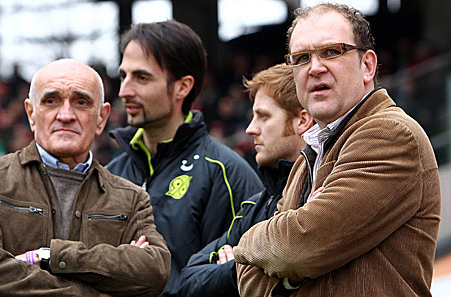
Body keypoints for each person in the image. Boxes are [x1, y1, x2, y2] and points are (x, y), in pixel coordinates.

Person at [234, 3, 441, 297]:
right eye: (302, 57)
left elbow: (299, 248)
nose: (315, 67)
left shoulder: (391, 134)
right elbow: (246, 280)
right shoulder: (306, 159)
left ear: (368, 65)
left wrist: (249, 241)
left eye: (332, 51)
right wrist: (290, 266)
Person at [0, 59, 170, 297]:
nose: (66, 115)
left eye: (81, 102)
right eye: (51, 101)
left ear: (101, 118)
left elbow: (154, 271)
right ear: (31, 114)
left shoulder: (131, 198)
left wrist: (49, 256)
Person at [107, 20, 263, 297]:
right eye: (123, 76)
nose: (124, 91)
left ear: (182, 87)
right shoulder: (110, 174)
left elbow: (246, 280)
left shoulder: (227, 173)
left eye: (141, 78)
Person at [178, 64, 313, 297]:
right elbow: (189, 278)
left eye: (263, 117)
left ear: (302, 121)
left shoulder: (324, 193)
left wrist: (235, 263)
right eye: (252, 116)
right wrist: (238, 270)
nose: (251, 129)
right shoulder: (255, 205)